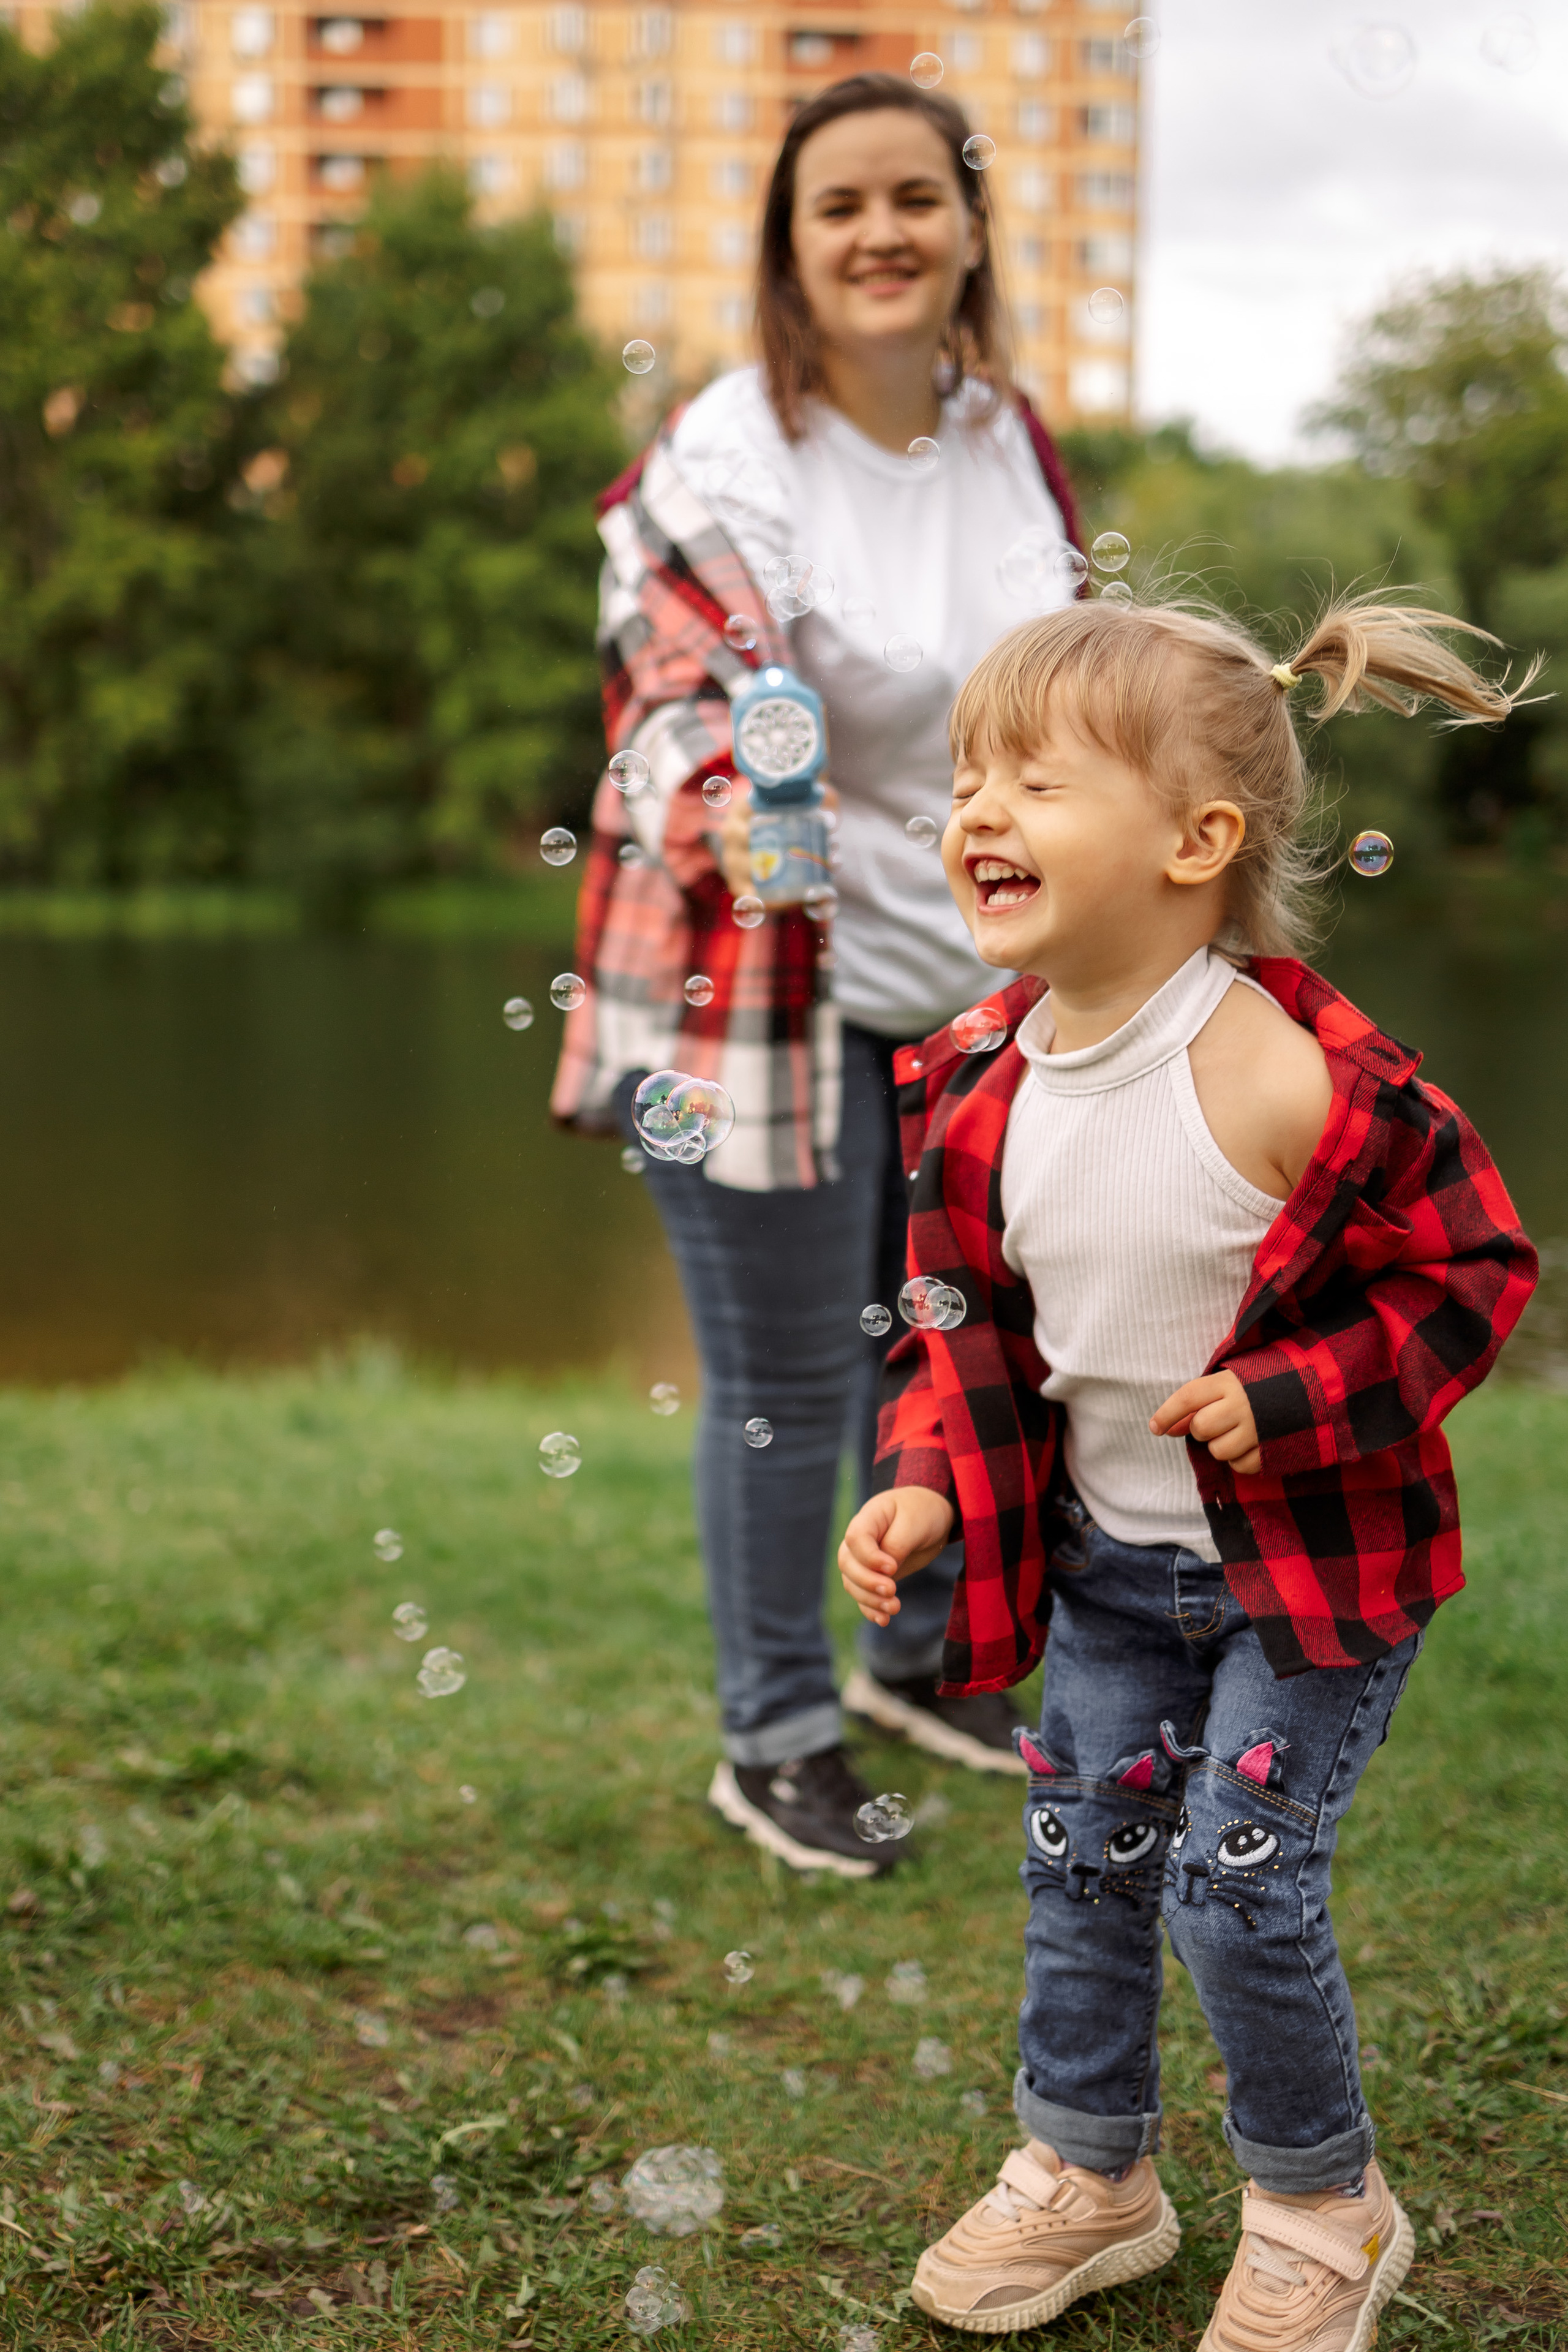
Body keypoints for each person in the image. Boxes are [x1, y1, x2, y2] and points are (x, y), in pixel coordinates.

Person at [837, 591, 1538, 2341]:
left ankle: (1323, 2209)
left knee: (1235, 1879)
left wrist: (1292, 1394)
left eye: (1035, 781)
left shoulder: (1291, 1077)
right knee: (1082, 1863)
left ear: (1196, 842)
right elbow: (962, 1333)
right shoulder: (977, 1089)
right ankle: (1093, 2174)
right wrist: (924, 1474)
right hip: (1106, 1574)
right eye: (965, 779)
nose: (977, 812)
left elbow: (1475, 1272)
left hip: (1304, 1585)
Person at [552, 72, 1085, 1878]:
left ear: (970, 227)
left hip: (961, 998)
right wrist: (732, 797)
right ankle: (774, 1736)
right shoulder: (726, 457)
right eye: (838, 205)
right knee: (788, 1377)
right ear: (790, 246)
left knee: (943, 1349)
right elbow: (685, 720)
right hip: (744, 1000)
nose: (880, 233)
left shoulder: (1006, 432)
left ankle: (921, 1661)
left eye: (914, 198)